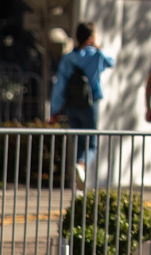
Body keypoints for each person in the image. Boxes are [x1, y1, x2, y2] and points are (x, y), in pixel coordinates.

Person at [49, 22, 114, 182]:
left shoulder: (68, 58)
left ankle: (78, 178)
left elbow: (60, 85)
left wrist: (55, 110)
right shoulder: (96, 55)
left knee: (77, 141)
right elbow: (111, 62)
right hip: (90, 105)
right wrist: (97, 47)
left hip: (72, 106)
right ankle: (82, 165)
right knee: (91, 144)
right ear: (91, 38)